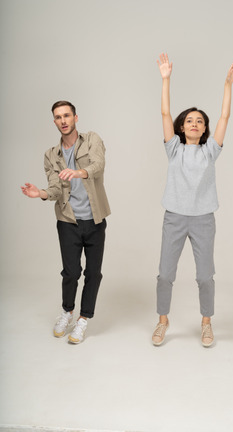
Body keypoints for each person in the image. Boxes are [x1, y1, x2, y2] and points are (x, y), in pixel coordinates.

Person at [152, 54, 233, 347]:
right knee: (165, 274)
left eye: (199, 121)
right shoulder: (174, 149)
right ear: (181, 128)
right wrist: (166, 80)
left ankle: (206, 322)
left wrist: (227, 85)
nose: (194, 123)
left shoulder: (210, 151)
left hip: (203, 219)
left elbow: (225, 117)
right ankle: (163, 321)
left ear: (204, 130)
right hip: (175, 217)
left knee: (205, 276)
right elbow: (165, 114)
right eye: (189, 120)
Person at [21, 101, 111, 344]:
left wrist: (79, 173)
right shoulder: (51, 155)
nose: (63, 120)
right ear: (54, 122)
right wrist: (39, 193)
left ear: (75, 117)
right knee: (71, 272)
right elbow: (54, 189)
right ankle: (67, 312)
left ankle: (83, 319)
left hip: (94, 218)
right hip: (67, 220)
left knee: (93, 273)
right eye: (58, 117)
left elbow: (98, 165)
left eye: (67, 115)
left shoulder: (91, 139)